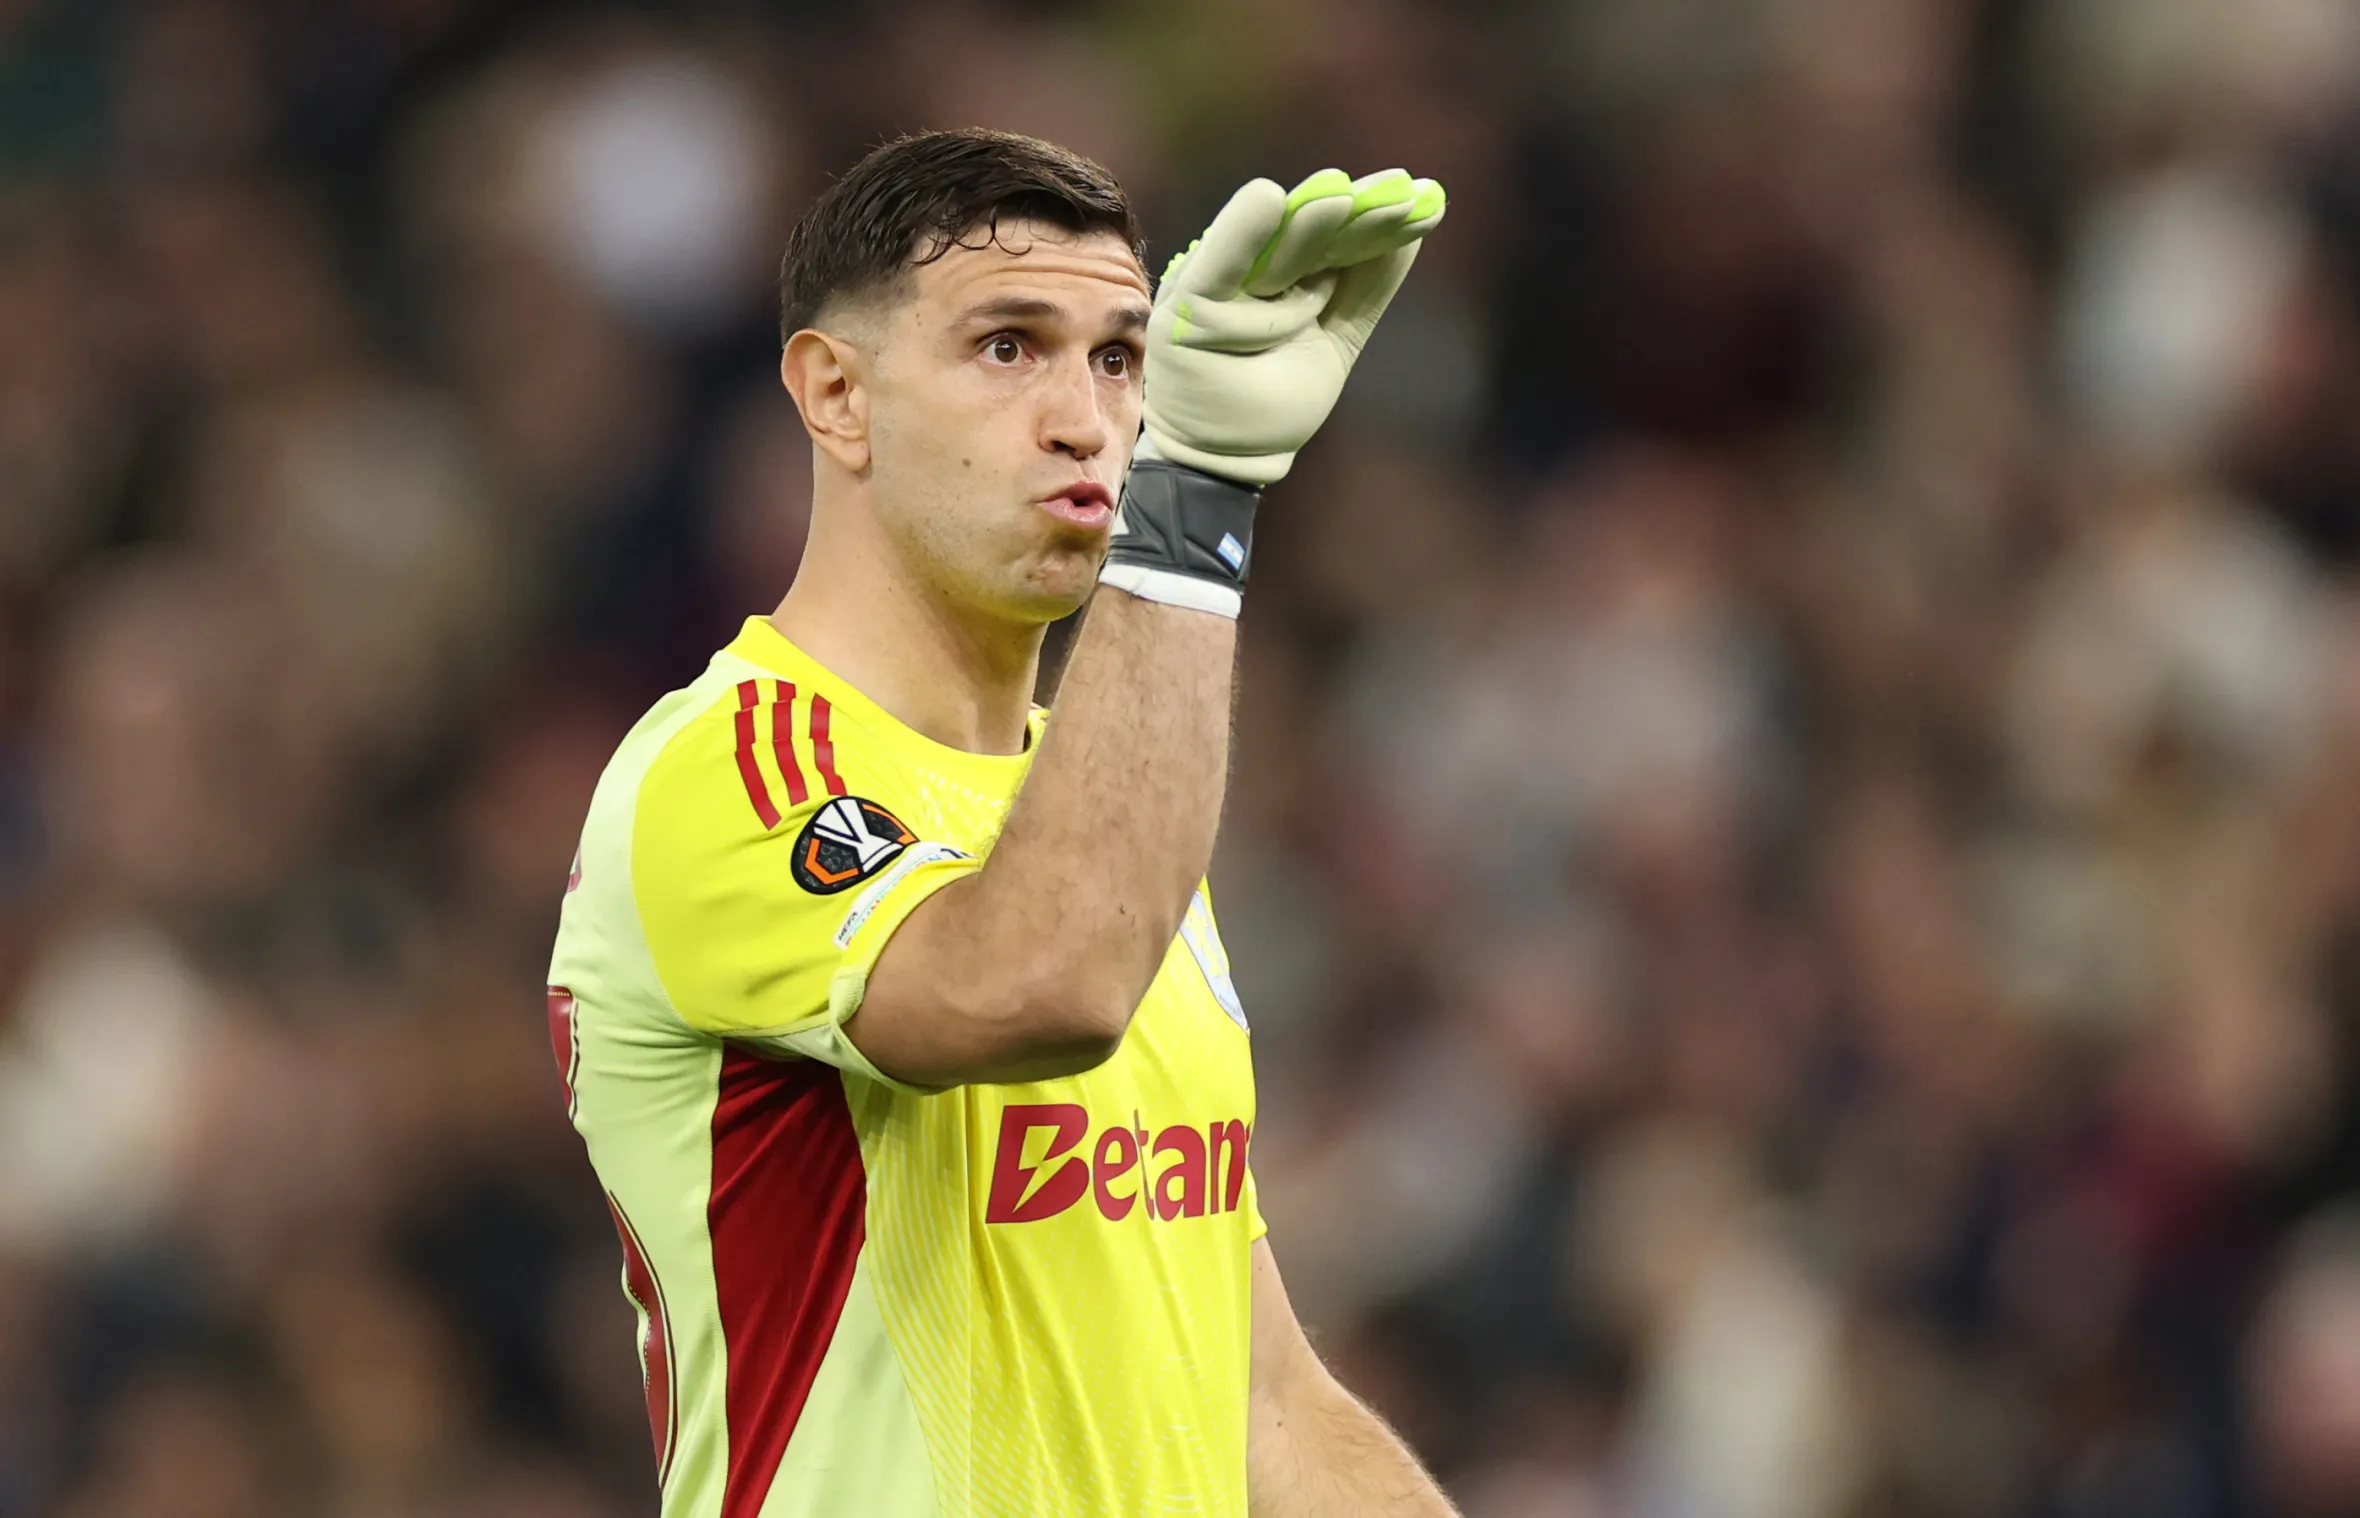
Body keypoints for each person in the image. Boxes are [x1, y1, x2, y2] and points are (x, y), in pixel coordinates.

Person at [546, 127, 1453, 1518]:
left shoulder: (1099, 820)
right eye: (1008, 347)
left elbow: (1264, 1398)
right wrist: (1193, 503)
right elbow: (1044, 978)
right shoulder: (730, 770)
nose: (1088, 417)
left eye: (1121, 358)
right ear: (834, 395)